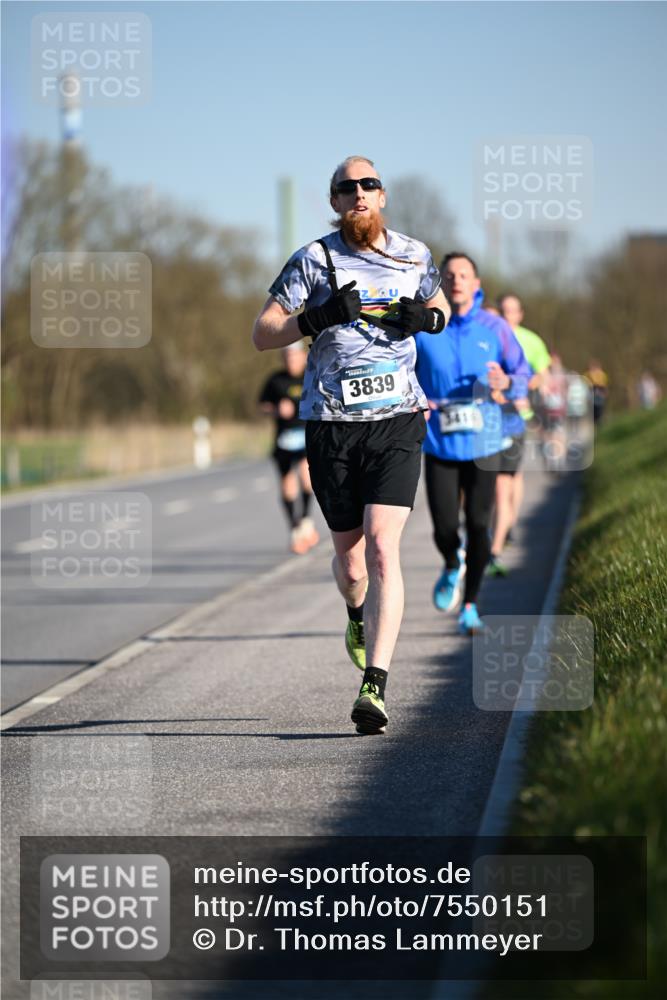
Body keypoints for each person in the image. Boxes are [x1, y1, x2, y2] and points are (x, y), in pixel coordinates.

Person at [252, 155, 451, 734]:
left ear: (382, 196)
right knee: (351, 559)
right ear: (335, 201)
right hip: (331, 425)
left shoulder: (414, 254)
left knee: (386, 548)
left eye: (368, 184)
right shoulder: (312, 260)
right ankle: (354, 613)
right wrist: (314, 319)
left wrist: (428, 320)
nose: (359, 193)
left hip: (398, 418)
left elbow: (439, 308)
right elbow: (263, 332)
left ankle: (376, 685)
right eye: (347, 187)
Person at [415, 254, 529, 634]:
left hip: (486, 443)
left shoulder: (494, 327)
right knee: (444, 527)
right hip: (438, 444)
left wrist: (506, 384)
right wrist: (417, 399)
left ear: (476, 284)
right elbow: (402, 371)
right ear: (440, 284)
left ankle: (470, 605)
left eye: (464, 275)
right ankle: (451, 562)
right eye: (449, 275)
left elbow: (523, 374)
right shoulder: (425, 327)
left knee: (479, 524)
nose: (457, 280)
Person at [488, 293, 552, 575]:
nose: (507, 315)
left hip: (518, 416)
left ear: (520, 314)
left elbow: (543, 373)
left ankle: (506, 526)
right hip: (491, 417)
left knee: (509, 480)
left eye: (512, 310)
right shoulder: (491, 336)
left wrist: (521, 389)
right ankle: (502, 525)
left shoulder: (531, 340)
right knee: (500, 482)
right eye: (503, 310)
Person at [258, 341, 319, 554]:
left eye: (294, 356)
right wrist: (275, 410)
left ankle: (305, 520)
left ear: (303, 356)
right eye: (287, 357)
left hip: (307, 437)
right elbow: (263, 405)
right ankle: (294, 528)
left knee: (306, 477)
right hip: (284, 439)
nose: (290, 360)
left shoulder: (311, 375)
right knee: (287, 485)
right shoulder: (275, 380)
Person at [541, 354, 569, 471]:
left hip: (559, 411)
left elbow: (566, 392)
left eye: (556, 362)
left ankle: (560, 460)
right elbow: (541, 392)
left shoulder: (564, 375)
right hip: (547, 411)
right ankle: (551, 460)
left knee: (559, 435)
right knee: (548, 436)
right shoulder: (544, 375)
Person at [584, 359, 609, 424]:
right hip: (592, 391)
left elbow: (604, 384)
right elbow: (586, 385)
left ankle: (599, 421)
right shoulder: (587, 374)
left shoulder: (601, 374)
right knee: (593, 408)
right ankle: (595, 421)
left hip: (599, 391)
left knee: (600, 408)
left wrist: (605, 391)